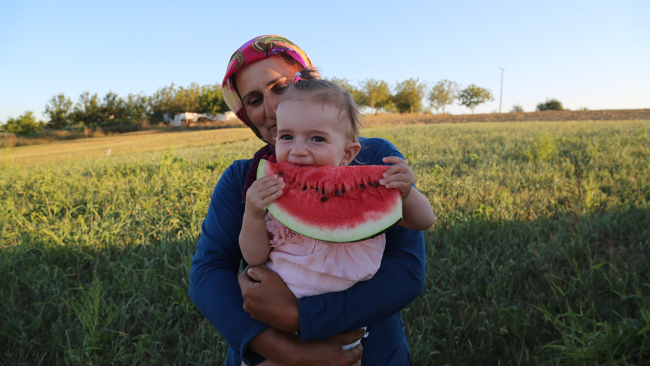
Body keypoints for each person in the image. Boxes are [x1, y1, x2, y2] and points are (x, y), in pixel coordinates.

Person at [189, 35, 426, 366]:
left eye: (280, 87)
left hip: (370, 352)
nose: (271, 108)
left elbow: (407, 270)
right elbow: (208, 273)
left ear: (309, 83)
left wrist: (299, 316)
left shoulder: (376, 159)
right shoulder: (242, 180)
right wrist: (286, 351)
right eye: (254, 100)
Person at [240, 70, 435, 363]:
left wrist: (407, 194)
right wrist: (253, 216)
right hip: (276, 324)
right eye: (287, 136)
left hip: (341, 324)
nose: (298, 150)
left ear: (348, 153)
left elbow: (424, 221)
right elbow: (254, 257)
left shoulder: (367, 191)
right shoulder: (274, 195)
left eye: (316, 139)